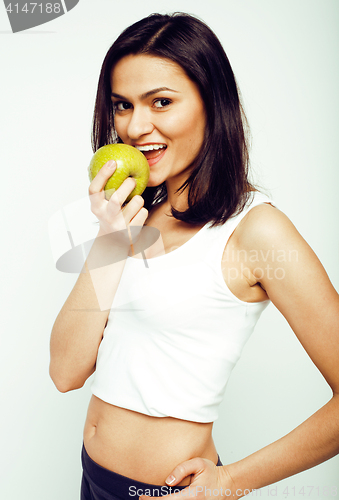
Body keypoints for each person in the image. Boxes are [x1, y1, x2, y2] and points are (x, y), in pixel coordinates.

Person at [49, 12, 339, 500]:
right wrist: (111, 237)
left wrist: (232, 481)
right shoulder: (136, 216)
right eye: (122, 105)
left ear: (211, 103)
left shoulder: (256, 230)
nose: (136, 127)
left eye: (160, 102)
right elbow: (66, 371)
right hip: (92, 480)